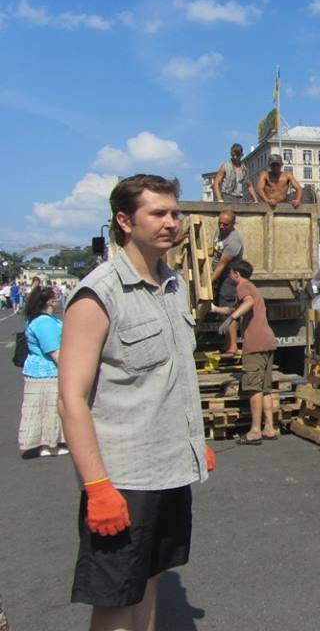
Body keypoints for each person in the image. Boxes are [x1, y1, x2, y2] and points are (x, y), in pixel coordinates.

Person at [58, 174, 215, 630]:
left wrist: (192, 439)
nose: (172, 222)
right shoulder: (98, 294)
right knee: (114, 598)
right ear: (125, 221)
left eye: (175, 213)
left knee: (149, 580)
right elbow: (71, 399)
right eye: (158, 213)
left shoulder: (174, 285)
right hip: (123, 478)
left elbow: (170, 376)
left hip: (168, 468)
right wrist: (98, 488)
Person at [216, 259, 278, 444]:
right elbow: (235, 307)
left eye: (230, 272)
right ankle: (269, 428)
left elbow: (248, 303)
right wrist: (215, 309)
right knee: (266, 389)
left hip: (255, 343)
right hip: (268, 341)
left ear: (237, 274)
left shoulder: (242, 286)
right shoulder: (251, 286)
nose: (229, 276)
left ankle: (254, 431)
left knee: (253, 388)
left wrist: (232, 319)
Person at [18, 286, 67, 457]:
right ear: (50, 301)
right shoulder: (45, 322)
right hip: (47, 372)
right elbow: (53, 350)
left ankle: (44, 443)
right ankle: (50, 445)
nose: (59, 298)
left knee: (40, 410)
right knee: (50, 410)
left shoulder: (38, 319)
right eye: (57, 296)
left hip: (38, 371)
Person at [211, 210, 244, 354]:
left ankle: (233, 347)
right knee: (223, 312)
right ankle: (227, 344)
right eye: (220, 223)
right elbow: (215, 251)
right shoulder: (219, 233)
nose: (222, 226)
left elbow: (222, 265)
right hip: (221, 276)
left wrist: (209, 281)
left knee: (229, 311)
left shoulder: (234, 241)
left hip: (229, 278)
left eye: (225, 224)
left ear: (233, 224)